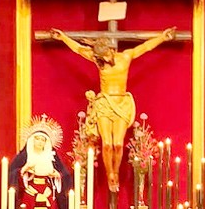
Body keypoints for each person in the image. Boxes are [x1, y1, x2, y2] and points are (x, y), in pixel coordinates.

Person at [48, 26, 177, 196]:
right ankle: (111, 174)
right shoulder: (99, 62)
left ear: (111, 49)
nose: (106, 59)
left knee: (117, 144)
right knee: (107, 144)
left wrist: (163, 37)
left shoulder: (125, 57)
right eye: (102, 58)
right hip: (104, 103)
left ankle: (116, 170)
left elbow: (146, 47)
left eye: (107, 55)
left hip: (121, 102)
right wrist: (63, 37)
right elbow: (78, 50)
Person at [9, 115, 73, 209]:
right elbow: (11, 174)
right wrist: (24, 170)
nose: (40, 142)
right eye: (37, 139)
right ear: (31, 140)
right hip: (30, 197)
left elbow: (65, 177)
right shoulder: (23, 157)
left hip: (47, 197)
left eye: (43, 140)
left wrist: (56, 176)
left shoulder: (52, 158)